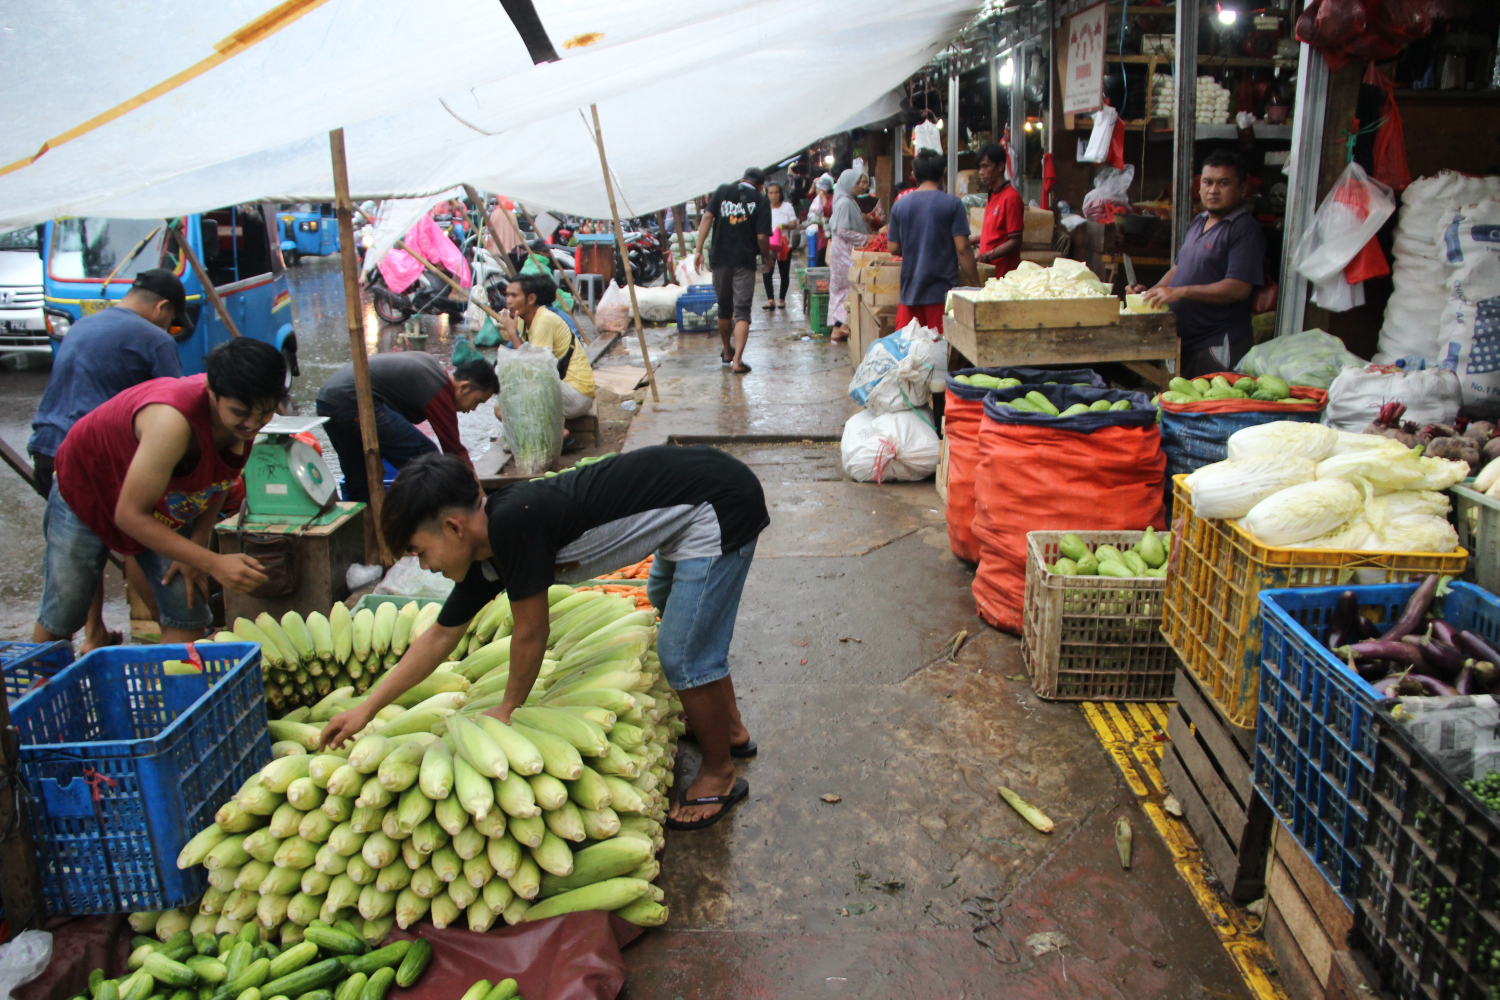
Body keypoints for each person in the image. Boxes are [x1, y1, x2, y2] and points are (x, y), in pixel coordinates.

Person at [318, 447, 770, 831]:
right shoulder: (486, 549)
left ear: (454, 528)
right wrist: (366, 709)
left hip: (717, 506)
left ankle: (719, 774)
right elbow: (440, 636)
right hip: (693, 505)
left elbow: (532, 634)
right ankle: (728, 730)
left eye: (420, 551)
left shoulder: (514, 523)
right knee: (664, 599)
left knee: (684, 655)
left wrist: (508, 707)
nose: (424, 566)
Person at [33, 339, 287, 646]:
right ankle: (38, 682)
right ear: (211, 392)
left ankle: (182, 691)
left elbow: (218, 482)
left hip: (157, 495)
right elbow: (129, 515)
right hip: (89, 484)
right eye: (240, 412)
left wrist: (197, 544)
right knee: (65, 608)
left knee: (187, 605)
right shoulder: (172, 422)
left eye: (264, 412)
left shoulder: (243, 422)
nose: (252, 424)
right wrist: (213, 561)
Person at [27, 268, 188, 651]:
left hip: (49, 448)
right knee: (134, 532)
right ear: (162, 307)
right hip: (93, 463)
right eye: (172, 321)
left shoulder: (84, 325)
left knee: (79, 554)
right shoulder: (154, 340)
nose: (170, 329)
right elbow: (179, 406)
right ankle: (174, 630)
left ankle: (93, 631)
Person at [1129, 149, 1265, 378]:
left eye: (1223, 183)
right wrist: (1152, 292)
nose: (1213, 190)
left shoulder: (1244, 229)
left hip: (1216, 344)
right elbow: (1178, 269)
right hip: (1185, 341)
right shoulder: (1199, 221)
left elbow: (1238, 288)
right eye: (1208, 182)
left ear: (1242, 188)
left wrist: (1180, 292)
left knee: (1213, 407)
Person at [315, 353, 498, 503]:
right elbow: (456, 452)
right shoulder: (438, 388)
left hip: (328, 400)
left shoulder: (433, 372)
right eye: (477, 401)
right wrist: (482, 501)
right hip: (352, 400)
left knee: (360, 482)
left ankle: (365, 541)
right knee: (428, 460)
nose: (473, 409)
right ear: (465, 387)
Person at [886, 151, 980, 333]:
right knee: (940, 353)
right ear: (943, 171)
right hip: (941, 296)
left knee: (909, 353)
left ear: (914, 174)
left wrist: (917, 247)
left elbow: (893, 247)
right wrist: (977, 285)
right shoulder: (953, 204)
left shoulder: (900, 205)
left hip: (909, 295)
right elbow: (963, 248)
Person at [693, 167, 772, 376]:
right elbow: (763, 238)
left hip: (720, 258)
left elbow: (707, 218)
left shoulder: (722, 191)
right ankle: (738, 361)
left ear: (742, 179)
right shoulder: (762, 201)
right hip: (744, 261)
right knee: (742, 310)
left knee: (725, 308)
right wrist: (767, 257)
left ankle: (727, 351)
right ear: (761, 185)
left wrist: (699, 250)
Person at [496, 272, 595, 420]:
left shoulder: (543, 320)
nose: (508, 301)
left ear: (531, 299)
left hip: (576, 395)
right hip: (559, 389)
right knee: (502, 403)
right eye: (507, 295)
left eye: (514, 296)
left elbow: (535, 370)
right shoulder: (523, 320)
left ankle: (559, 434)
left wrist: (512, 334)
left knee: (505, 407)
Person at [827, 168, 875, 343]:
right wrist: (866, 238)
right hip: (844, 250)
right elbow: (842, 230)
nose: (860, 186)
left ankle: (837, 329)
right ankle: (845, 325)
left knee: (840, 289)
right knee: (850, 287)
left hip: (841, 249)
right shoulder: (845, 202)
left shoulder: (844, 199)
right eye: (857, 183)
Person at [975, 144, 1025, 278]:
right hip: (988, 271)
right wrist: (970, 240)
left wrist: (987, 255)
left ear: (1000, 166)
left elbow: (1015, 240)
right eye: (980, 167)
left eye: (986, 166)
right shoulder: (992, 194)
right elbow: (996, 233)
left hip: (1003, 273)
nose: (981, 172)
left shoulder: (1011, 198)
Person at [762, 183, 797, 311]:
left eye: (776, 192)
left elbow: (794, 224)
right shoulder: (764, 207)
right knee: (766, 271)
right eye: (770, 193)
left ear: (780, 193)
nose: (773, 195)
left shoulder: (787, 206)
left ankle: (782, 299)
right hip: (767, 244)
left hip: (784, 244)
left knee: (784, 273)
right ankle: (770, 299)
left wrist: (784, 226)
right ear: (767, 194)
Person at [804, 174, 835, 268]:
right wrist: (814, 184)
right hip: (822, 234)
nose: (817, 191)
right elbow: (810, 195)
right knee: (820, 257)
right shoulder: (819, 198)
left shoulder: (832, 198)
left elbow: (829, 210)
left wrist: (823, 197)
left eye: (819, 189)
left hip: (829, 236)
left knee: (822, 261)